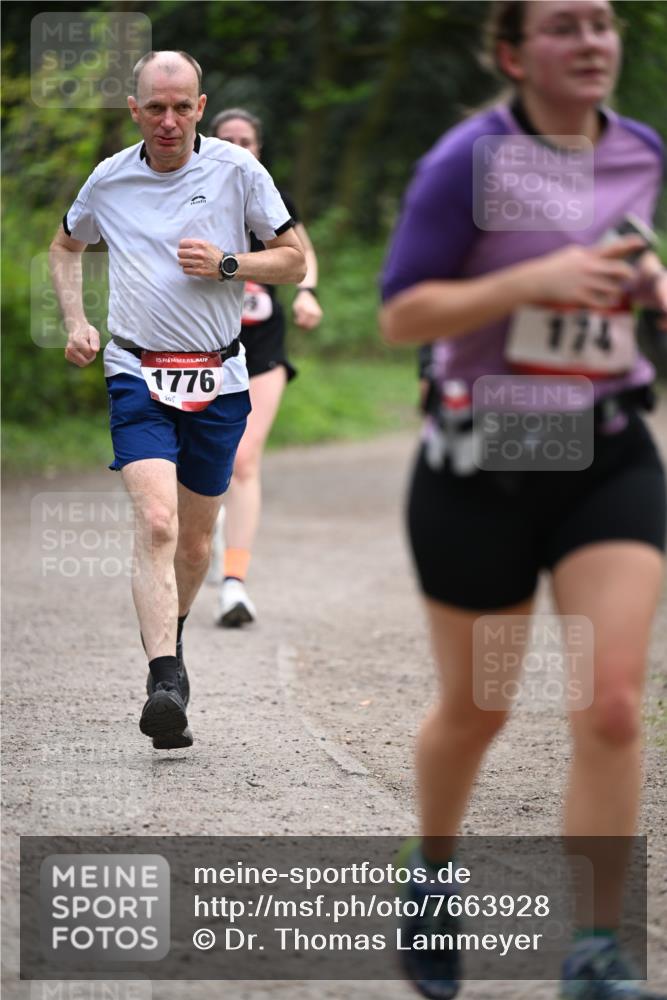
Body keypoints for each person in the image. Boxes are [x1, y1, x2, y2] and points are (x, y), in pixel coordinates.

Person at [380, 2, 667, 998]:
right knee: (478, 707)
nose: (590, 41)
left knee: (614, 703)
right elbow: (401, 311)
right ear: (512, 53)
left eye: (602, 22)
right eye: (561, 26)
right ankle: (431, 873)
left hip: (604, 449)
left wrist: (645, 276)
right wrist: (536, 277)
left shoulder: (637, 150)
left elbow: (616, 240)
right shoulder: (469, 161)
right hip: (484, 461)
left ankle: (594, 947)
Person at [49, 51, 305, 750]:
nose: (168, 120)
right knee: (157, 523)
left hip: (219, 377)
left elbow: (293, 259)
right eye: (154, 107)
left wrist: (229, 264)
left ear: (199, 107)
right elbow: (66, 248)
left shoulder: (236, 170)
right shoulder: (109, 179)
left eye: (181, 106)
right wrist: (76, 321)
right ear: (134, 110)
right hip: (135, 370)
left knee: (194, 541)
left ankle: (176, 637)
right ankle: (164, 679)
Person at [207, 108, 323, 627]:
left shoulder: (272, 197)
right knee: (206, 462)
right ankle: (201, 531)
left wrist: (307, 293)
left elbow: (304, 255)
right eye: (227, 139)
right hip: (200, 348)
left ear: (258, 147)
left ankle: (234, 585)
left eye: (246, 140)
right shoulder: (189, 197)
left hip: (263, 349)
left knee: (246, 458)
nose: (237, 146)